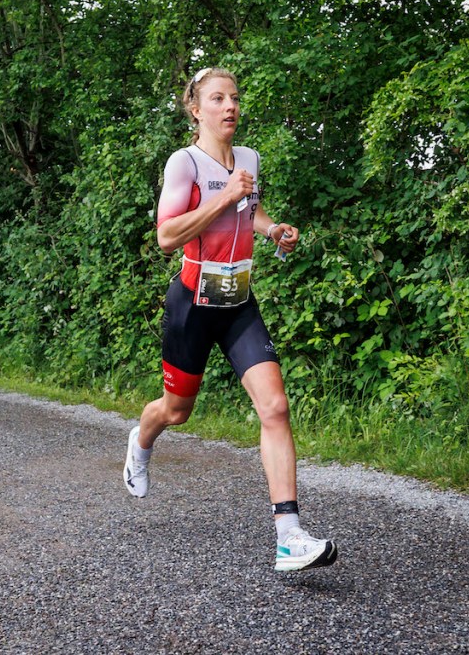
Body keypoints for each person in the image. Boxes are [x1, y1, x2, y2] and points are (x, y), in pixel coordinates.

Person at [122, 68, 337, 572]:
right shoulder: (185, 163)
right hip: (193, 303)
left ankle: (289, 537)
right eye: (217, 99)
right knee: (176, 412)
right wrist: (222, 195)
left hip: (238, 301)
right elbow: (167, 235)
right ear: (195, 110)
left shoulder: (249, 159)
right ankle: (141, 439)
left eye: (234, 98)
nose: (229, 106)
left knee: (276, 406)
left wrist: (273, 229)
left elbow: (250, 213)